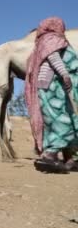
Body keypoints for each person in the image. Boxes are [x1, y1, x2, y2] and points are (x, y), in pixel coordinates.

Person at [25, 17, 78, 173]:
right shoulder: (50, 40)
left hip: (55, 87)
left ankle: (71, 158)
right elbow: (53, 57)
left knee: (68, 120)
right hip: (54, 87)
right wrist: (65, 74)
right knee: (60, 121)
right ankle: (49, 156)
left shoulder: (41, 42)